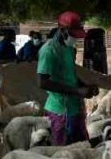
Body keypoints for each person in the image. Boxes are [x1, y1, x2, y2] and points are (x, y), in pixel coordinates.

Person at [37, 11, 98, 146]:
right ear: (62, 30)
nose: (75, 39)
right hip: (60, 111)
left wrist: (85, 86)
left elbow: (70, 74)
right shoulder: (49, 51)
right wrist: (77, 91)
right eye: (73, 35)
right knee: (63, 152)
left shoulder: (69, 48)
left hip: (75, 107)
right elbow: (43, 82)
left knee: (83, 148)